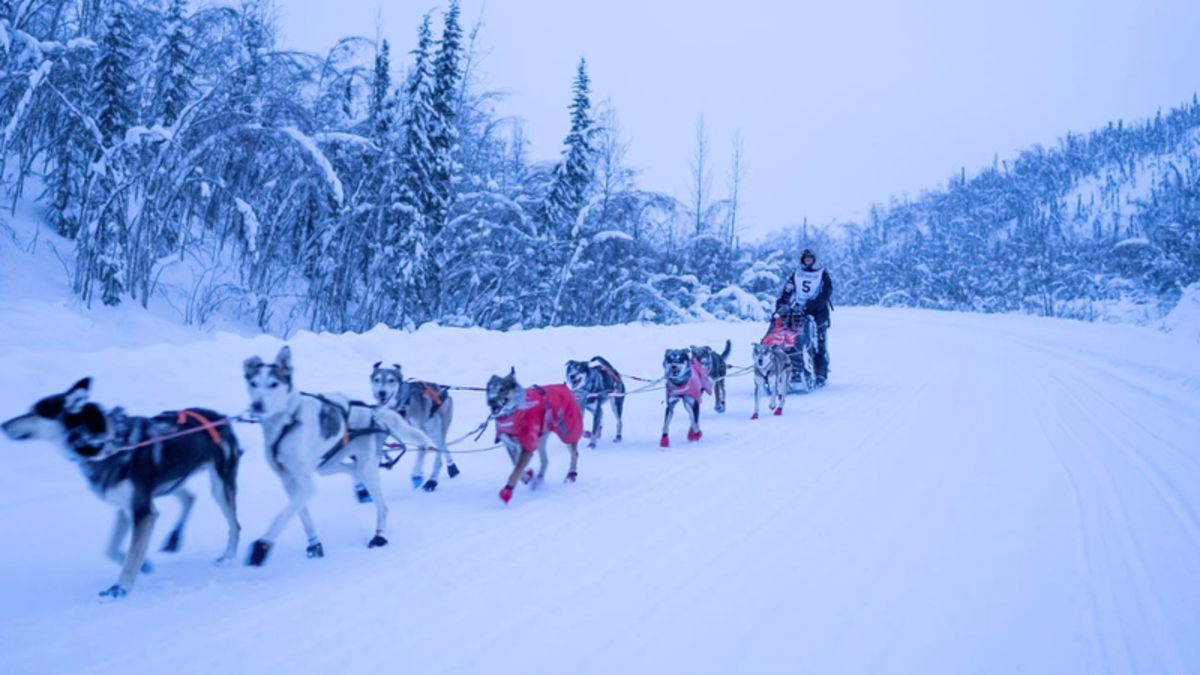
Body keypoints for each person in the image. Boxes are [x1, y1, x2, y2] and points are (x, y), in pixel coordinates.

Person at [774, 248, 833, 386]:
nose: (808, 261)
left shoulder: (822, 273)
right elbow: (787, 290)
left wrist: (812, 305)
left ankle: (820, 374)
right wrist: (781, 305)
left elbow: (826, 293)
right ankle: (792, 366)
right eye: (806, 258)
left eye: (810, 258)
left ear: (814, 260)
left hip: (818, 312)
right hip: (799, 311)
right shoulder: (797, 274)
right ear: (802, 260)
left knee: (819, 343)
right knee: (795, 338)